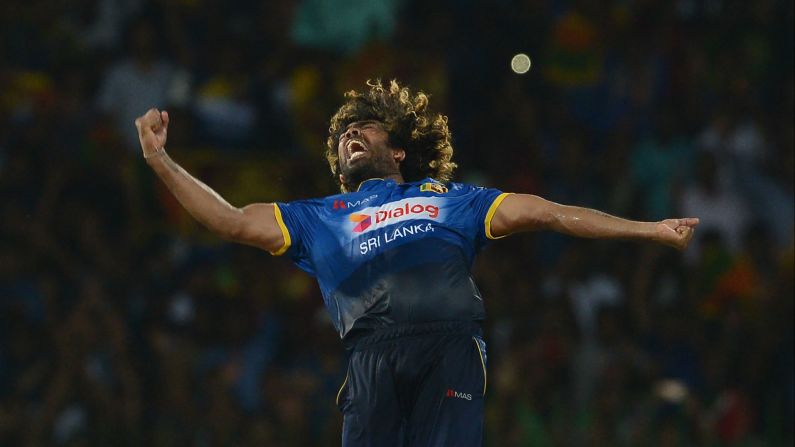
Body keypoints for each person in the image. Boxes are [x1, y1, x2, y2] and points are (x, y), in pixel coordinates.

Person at [135, 80, 699, 446]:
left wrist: (648, 228)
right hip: (370, 359)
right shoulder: (315, 216)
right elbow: (229, 219)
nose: (350, 133)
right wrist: (161, 160)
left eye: (365, 127)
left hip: (448, 348)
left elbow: (549, 213)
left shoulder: (455, 199)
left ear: (399, 149)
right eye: (342, 135)